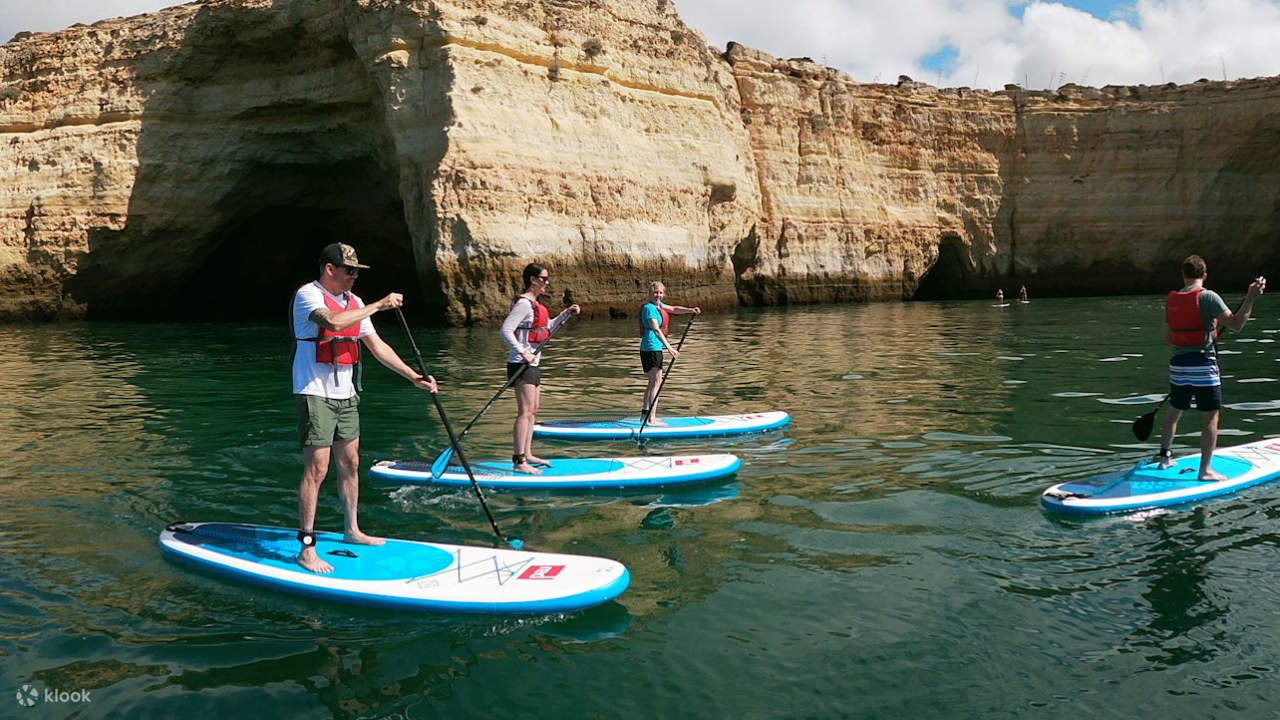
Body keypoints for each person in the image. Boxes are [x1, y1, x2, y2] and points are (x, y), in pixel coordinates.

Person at [291, 242, 437, 573]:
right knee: (317, 469)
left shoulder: (355, 302)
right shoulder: (308, 296)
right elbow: (334, 322)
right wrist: (380, 304)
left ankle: (352, 530)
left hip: (347, 393)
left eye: (358, 271)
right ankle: (307, 547)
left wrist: (413, 376)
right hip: (314, 391)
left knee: (351, 462)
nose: (355, 276)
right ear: (330, 269)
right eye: (349, 270)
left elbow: (376, 346)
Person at [1157, 254, 1266, 479]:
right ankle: (1204, 471)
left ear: (1184, 275)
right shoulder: (1208, 297)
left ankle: (1164, 459)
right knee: (1210, 417)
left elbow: (1168, 338)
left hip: (1178, 365)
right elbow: (1236, 324)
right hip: (1203, 365)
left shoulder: (1173, 299)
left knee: (1174, 410)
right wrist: (1251, 297)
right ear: (1205, 275)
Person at [500, 263, 580, 474]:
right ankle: (519, 461)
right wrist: (522, 351)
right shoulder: (524, 304)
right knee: (524, 412)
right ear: (533, 280)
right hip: (521, 363)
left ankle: (527, 453)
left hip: (533, 363)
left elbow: (547, 327)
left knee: (533, 410)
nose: (547, 282)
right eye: (543, 279)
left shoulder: (536, 305)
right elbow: (506, 330)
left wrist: (566, 314)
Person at [639, 281, 700, 426]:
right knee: (656, 383)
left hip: (652, 348)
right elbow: (656, 329)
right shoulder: (649, 308)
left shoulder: (657, 305)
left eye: (660, 293)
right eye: (655, 292)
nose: (658, 295)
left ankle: (645, 415)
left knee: (652, 382)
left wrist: (690, 310)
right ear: (650, 293)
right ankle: (651, 419)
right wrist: (670, 348)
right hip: (651, 348)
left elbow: (673, 308)